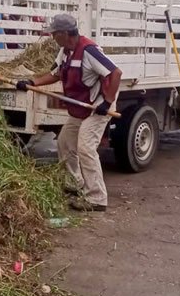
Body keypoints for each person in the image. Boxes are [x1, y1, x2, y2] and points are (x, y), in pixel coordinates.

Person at [16, 14, 123, 212]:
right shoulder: (65, 52)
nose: (52, 37)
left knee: (85, 147)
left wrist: (107, 102)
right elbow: (55, 74)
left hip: (98, 105)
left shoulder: (89, 50)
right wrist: (31, 83)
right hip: (82, 105)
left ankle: (97, 198)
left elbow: (115, 73)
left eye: (54, 34)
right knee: (65, 142)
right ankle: (75, 185)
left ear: (65, 34)